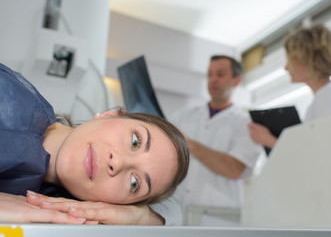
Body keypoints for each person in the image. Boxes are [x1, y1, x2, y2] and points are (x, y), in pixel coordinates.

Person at [0, 62, 189, 224]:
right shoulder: (8, 99)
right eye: (135, 142)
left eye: (134, 183)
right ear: (109, 114)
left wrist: (139, 217)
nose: (118, 163)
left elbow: (174, 214)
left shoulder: (61, 208)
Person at [170, 55, 262, 226]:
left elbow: (234, 169)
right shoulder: (182, 116)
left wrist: (187, 143)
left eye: (220, 74)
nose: (213, 80)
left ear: (236, 81)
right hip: (178, 213)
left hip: (218, 220)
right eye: (210, 74)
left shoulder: (246, 125)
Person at [248, 24, 331, 150]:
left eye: (290, 61)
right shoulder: (326, 96)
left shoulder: (329, 96)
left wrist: (269, 140)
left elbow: (326, 154)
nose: (286, 68)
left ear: (307, 61)